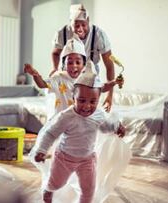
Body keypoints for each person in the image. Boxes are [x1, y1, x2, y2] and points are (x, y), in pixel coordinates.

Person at [33, 61, 126, 203]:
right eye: (81, 100)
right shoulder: (66, 116)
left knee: (88, 190)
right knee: (57, 183)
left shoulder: (99, 115)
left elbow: (106, 126)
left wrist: (117, 127)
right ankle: (49, 189)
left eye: (93, 101)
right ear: (73, 98)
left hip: (87, 159)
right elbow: (51, 133)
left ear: (98, 100)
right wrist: (42, 149)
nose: (87, 106)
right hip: (64, 158)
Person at [25, 35, 123, 115]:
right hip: (63, 121)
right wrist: (35, 74)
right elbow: (42, 84)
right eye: (70, 62)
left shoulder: (88, 78)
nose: (74, 66)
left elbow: (102, 87)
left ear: (84, 64)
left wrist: (114, 82)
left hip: (81, 120)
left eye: (77, 62)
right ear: (64, 65)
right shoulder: (59, 78)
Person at [50, 4, 116, 112]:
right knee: (66, 108)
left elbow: (109, 66)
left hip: (90, 77)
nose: (80, 29)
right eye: (76, 26)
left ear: (88, 21)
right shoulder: (62, 34)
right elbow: (55, 53)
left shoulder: (99, 35)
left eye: (83, 25)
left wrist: (109, 97)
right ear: (71, 24)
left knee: (87, 109)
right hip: (68, 77)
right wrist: (54, 68)